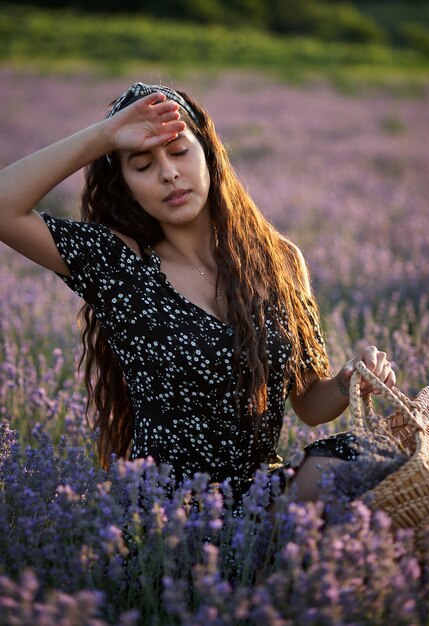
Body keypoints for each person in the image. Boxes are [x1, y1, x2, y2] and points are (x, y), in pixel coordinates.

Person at [0, 82, 396, 511]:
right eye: (142, 164)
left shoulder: (280, 260)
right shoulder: (118, 265)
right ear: (125, 183)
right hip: (172, 519)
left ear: (208, 154)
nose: (168, 173)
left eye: (179, 151)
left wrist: (345, 382)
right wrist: (106, 136)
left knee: (363, 459)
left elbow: (309, 403)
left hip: (261, 499)